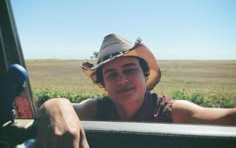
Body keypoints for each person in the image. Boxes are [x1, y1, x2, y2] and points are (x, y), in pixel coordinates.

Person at [35, 33, 236, 148]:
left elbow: (226, 117)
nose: (121, 79)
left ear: (145, 75)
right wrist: (56, 105)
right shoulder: (97, 108)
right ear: (103, 84)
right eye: (111, 74)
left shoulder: (169, 111)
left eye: (129, 70)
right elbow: (57, 106)